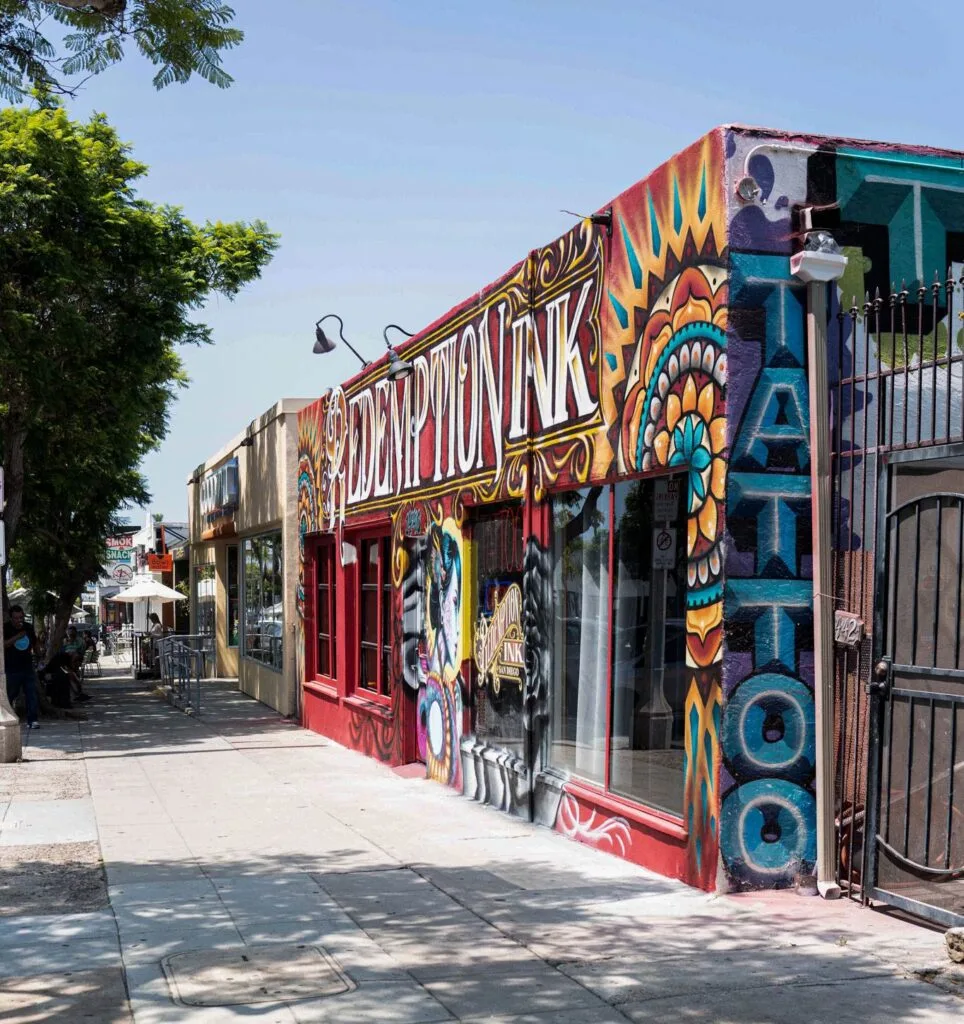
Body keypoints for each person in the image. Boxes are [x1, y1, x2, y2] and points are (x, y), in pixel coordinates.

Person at [3, 605, 40, 728]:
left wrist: (40, 656)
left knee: (31, 694)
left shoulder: (28, 627)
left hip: (27, 666)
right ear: (11, 618)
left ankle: (33, 720)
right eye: (16, 618)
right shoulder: (5, 628)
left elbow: (35, 644)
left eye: (21, 617)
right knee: (10, 694)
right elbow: (4, 645)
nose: (19, 620)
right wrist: (17, 637)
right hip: (12, 668)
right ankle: (6, 717)